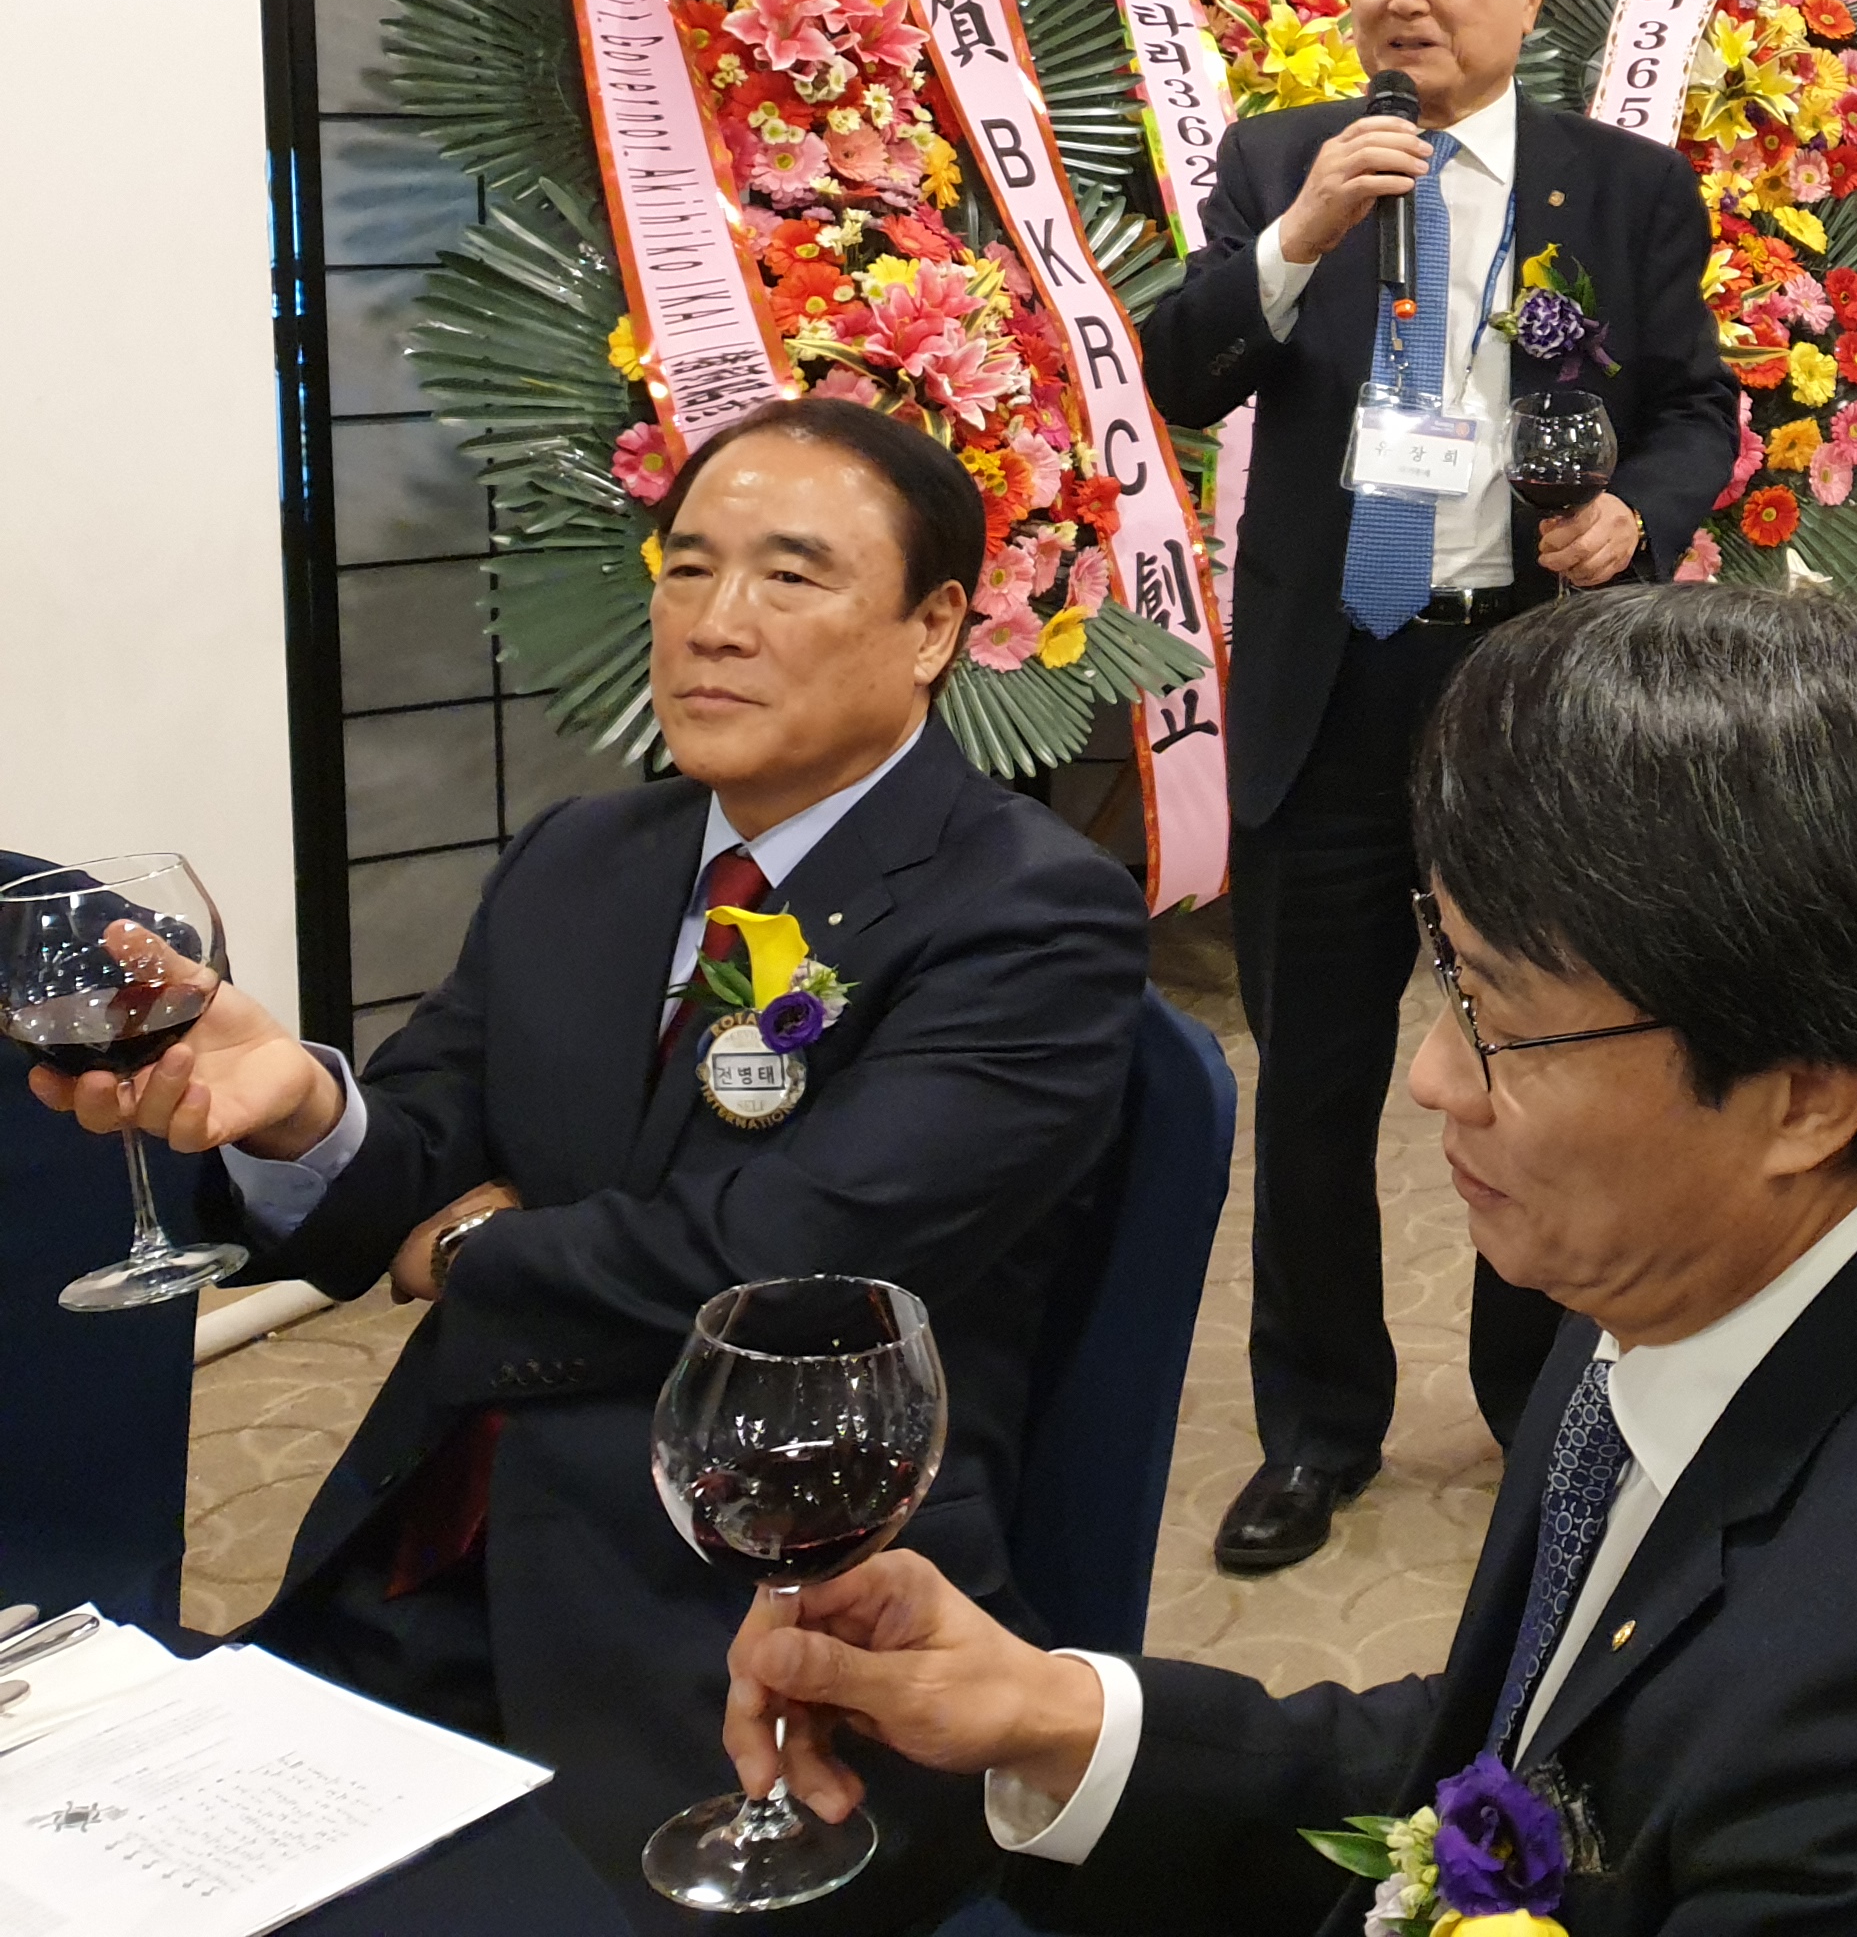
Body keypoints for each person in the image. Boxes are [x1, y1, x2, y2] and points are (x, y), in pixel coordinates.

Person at [718, 587, 1857, 1937]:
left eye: (1502, 1021)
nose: (1433, 1078)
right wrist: (1050, 1717)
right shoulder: (1678, 1300)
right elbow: (1511, 1764)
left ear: (1807, 1096)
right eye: (1449, 984)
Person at [29, 398, 1146, 1930]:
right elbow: (415, 1150)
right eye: (686, 569)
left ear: (935, 627)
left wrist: (466, 1249)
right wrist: (300, 1113)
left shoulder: (1030, 913)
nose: (714, 624)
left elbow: (773, 1268)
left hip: (748, 1634)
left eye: (791, 577)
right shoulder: (582, 857)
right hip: (425, 1563)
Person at [1139, 0, 1735, 1573]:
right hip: (1334, 679)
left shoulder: (1623, 188)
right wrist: (1298, 238)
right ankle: (1315, 1430)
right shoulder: (1283, 160)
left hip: (1524, 682)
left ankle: (1531, 1405)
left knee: (1541, 1056)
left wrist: (1643, 513)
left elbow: (1698, 406)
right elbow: (1184, 369)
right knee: (1315, 1085)